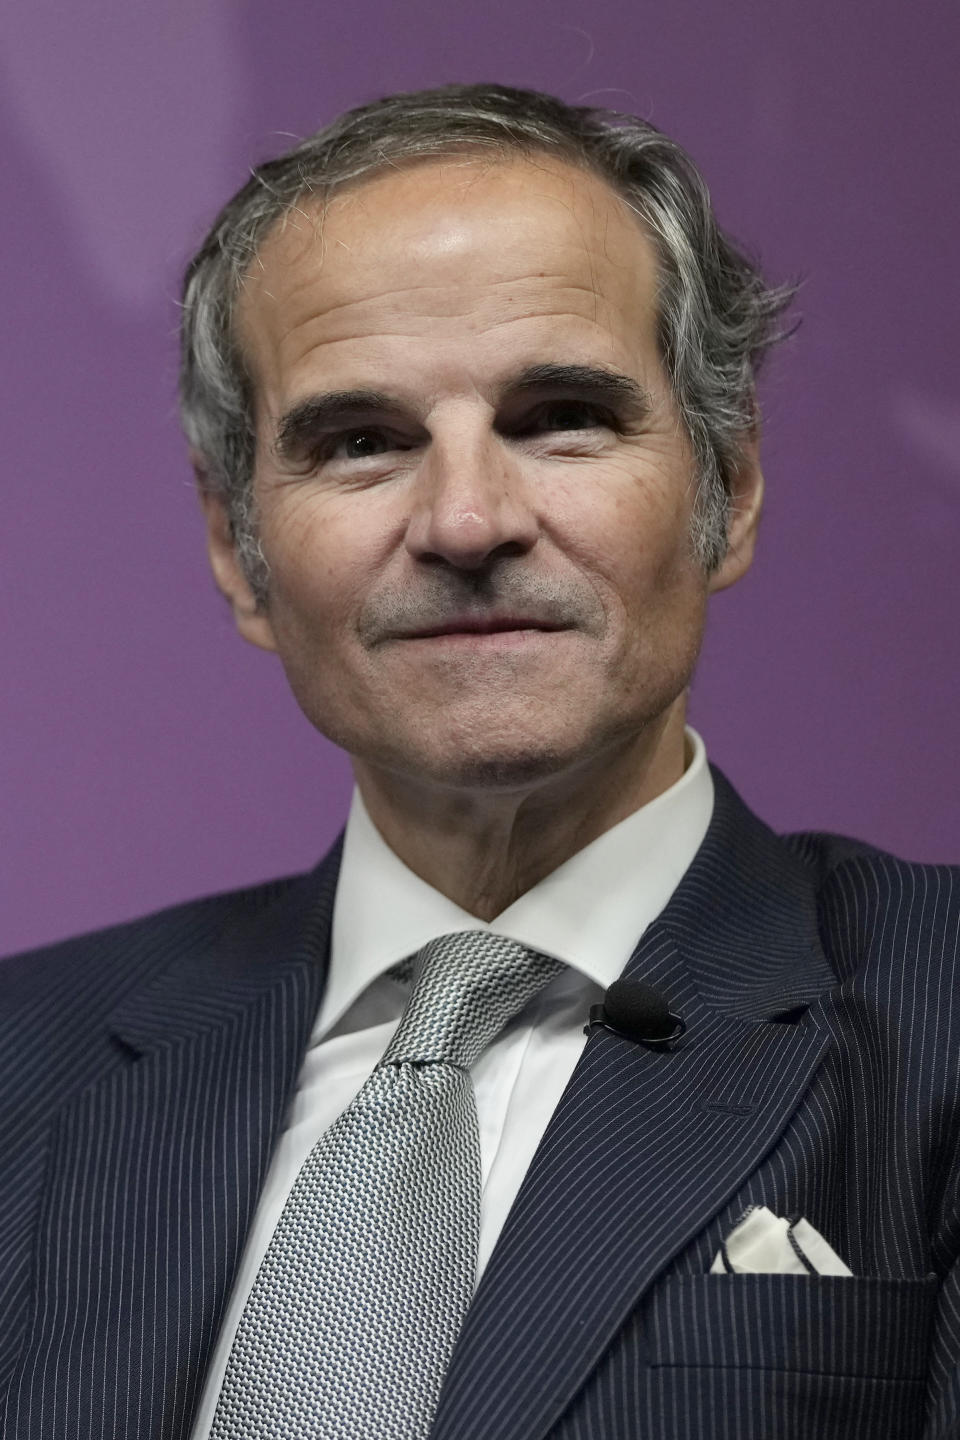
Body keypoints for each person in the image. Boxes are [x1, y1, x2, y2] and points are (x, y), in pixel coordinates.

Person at [1, 83, 958, 1440]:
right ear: (238, 552)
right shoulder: (17, 1067)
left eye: (560, 414)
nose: (465, 520)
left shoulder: (937, 1022)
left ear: (725, 491)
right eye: (362, 442)